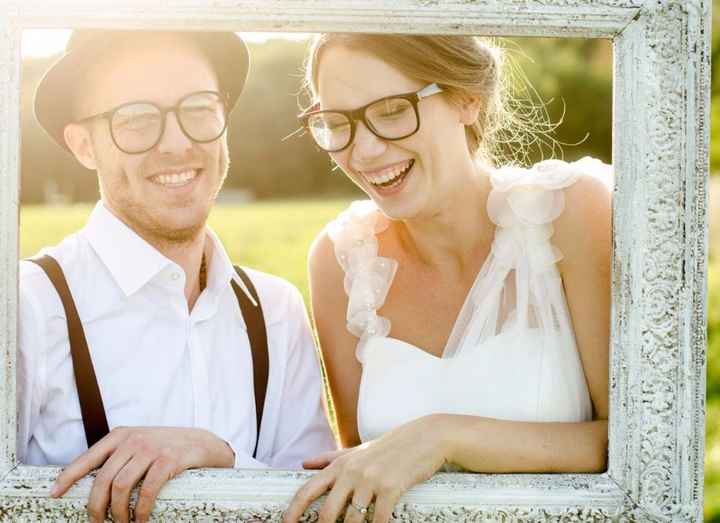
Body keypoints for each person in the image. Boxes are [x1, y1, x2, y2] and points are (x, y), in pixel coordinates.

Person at [283, 34, 611, 523]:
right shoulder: (340, 262)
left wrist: (441, 436)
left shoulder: (572, 213)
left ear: (466, 99)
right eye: (337, 123)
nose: (365, 151)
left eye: (393, 111)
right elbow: (360, 468)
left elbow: (634, 441)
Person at [19, 29, 334, 523]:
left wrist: (219, 457)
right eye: (137, 119)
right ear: (84, 145)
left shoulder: (274, 309)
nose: (177, 143)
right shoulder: (25, 305)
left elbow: (312, 505)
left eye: (198, 108)